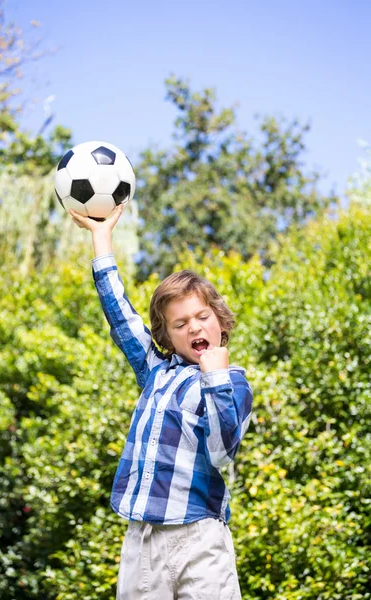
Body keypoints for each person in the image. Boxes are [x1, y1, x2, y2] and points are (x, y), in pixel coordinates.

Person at [70, 205, 253, 600]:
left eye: (202, 317)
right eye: (180, 324)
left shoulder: (233, 383)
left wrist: (215, 377)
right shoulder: (156, 370)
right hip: (144, 540)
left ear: (219, 322)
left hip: (200, 538)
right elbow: (121, 318)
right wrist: (101, 239)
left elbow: (223, 453)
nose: (194, 327)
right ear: (167, 337)